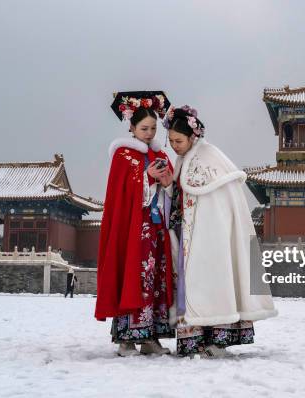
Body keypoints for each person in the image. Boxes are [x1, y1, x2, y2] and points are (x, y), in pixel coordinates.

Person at [164, 105, 277, 358]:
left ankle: (218, 339)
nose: (174, 146)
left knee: (217, 280)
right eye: (170, 141)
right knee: (191, 285)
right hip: (189, 236)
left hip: (212, 237)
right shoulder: (183, 160)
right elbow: (182, 194)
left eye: (178, 141)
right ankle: (193, 340)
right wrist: (168, 186)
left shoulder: (210, 159)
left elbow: (220, 205)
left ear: (193, 137)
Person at [95, 91, 175, 357]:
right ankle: (127, 338)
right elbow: (120, 194)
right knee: (133, 277)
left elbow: (171, 189)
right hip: (132, 231)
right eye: (144, 128)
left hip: (155, 230)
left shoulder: (160, 153)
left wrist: (166, 183)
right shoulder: (123, 156)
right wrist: (145, 177)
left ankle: (150, 337)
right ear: (131, 127)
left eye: (153, 128)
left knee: (155, 281)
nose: (149, 133)